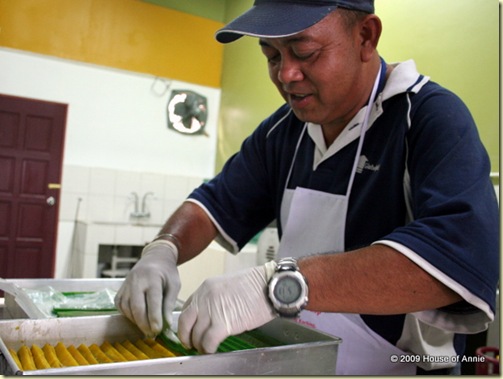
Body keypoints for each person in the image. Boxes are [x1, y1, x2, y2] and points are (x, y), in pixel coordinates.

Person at [115, 0, 499, 375]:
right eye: (272, 56)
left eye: (305, 52)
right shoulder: (284, 130)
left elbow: (457, 260)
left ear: (366, 37)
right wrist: (163, 249)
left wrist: (277, 286)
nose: (286, 74)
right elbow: (212, 203)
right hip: (296, 360)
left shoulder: (428, 117)